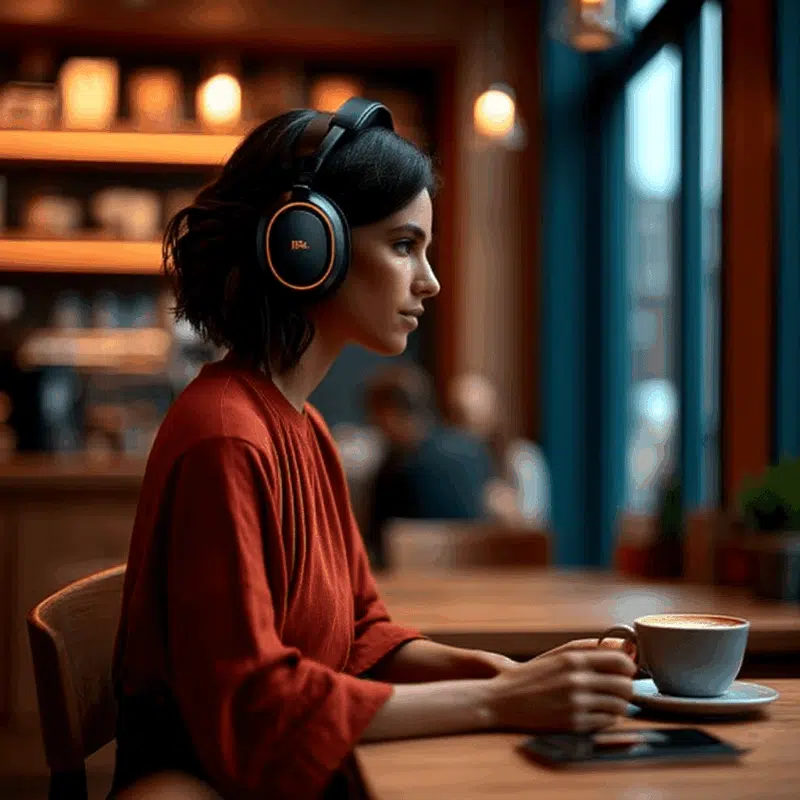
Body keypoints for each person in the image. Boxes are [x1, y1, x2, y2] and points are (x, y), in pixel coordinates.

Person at [110, 98, 635, 800]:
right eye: (402, 245)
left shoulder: (305, 427)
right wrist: (496, 704)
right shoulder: (225, 435)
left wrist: (502, 674)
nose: (431, 280)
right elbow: (254, 709)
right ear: (307, 246)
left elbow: (361, 635)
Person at [363, 362, 497, 569]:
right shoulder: (472, 449)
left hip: (413, 586)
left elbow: (374, 543)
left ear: (389, 412)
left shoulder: (396, 467)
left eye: (375, 415)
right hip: (479, 576)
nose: (372, 424)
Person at [448, 371, 551, 527]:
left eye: (477, 415)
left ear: (494, 412)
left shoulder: (522, 458)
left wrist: (504, 507)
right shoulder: (449, 464)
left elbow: (534, 525)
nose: (469, 429)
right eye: (460, 416)